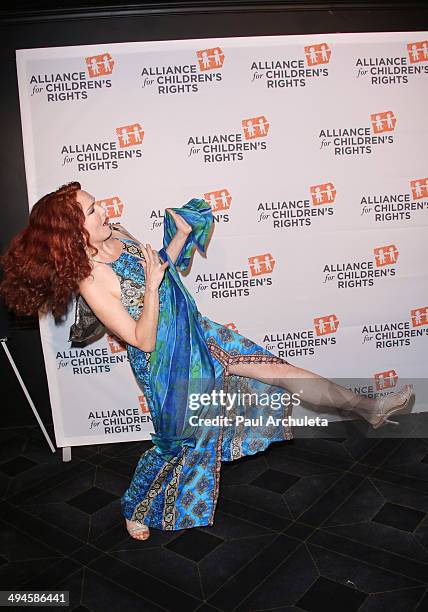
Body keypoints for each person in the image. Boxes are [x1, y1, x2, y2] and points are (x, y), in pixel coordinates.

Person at [0, 182, 414, 541]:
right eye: (93, 210)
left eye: (96, 202)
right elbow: (141, 339)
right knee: (173, 448)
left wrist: (178, 238)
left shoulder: (118, 233)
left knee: (284, 371)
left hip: (201, 333)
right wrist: (152, 284)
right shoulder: (91, 279)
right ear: (74, 231)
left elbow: (159, 268)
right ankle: (134, 507)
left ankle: (368, 407)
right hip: (169, 365)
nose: (104, 209)